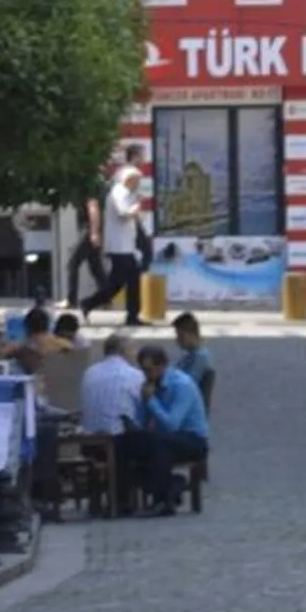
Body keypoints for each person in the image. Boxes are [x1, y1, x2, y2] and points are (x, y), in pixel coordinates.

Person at [128, 344, 211, 515]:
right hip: (166, 440)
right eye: (143, 370)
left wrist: (151, 401)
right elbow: (144, 423)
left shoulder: (182, 385)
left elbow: (172, 424)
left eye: (149, 370)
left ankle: (161, 500)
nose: (146, 375)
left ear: (162, 366)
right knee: (132, 442)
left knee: (159, 443)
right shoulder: (151, 384)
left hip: (191, 439)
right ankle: (171, 485)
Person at [83, 159, 149, 325]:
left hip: (125, 246)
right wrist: (136, 208)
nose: (137, 183)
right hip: (120, 247)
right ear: (128, 179)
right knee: (130, 279)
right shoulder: (119, 192)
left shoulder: (125, 193)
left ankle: (91, 303)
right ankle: (132, 315)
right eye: (135, 180)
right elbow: (123, 213)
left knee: (118, 283)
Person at [171, 311, 217, 415]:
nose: (177, 340)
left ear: (191, 335)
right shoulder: (190, 355)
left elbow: (186, 384)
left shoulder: (200, 358)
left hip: (189, 411)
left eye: (180, 336)